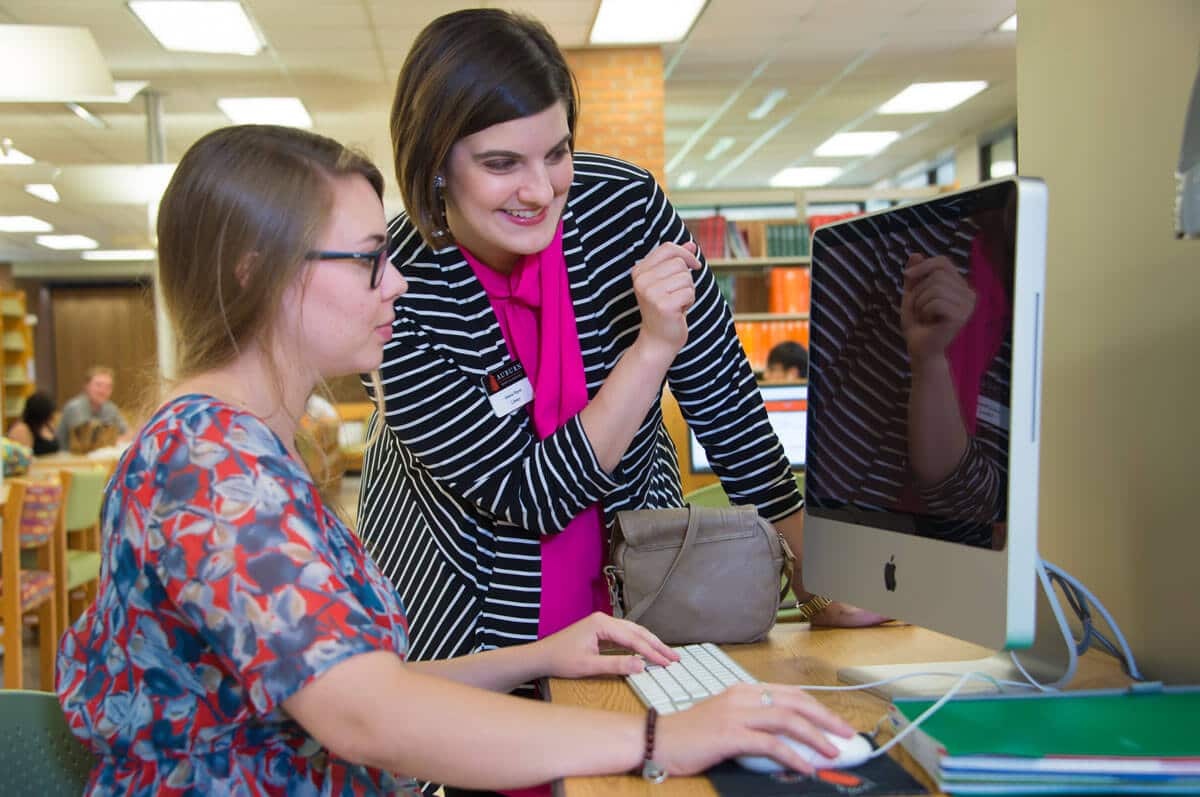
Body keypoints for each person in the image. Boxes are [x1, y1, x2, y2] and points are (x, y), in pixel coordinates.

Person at [55, 124, 856, 796]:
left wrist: (542, 655)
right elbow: (368, 718)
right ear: (256, 273)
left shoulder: (243, 447)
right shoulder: (211, 465)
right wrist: (656, 737)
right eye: (368, 258)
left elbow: (356, 688)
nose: (396, 281)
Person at [357, 8, 882, 688]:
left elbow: (719, 386)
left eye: (557, 152)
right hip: (473, 611)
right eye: (501, 163)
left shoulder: (623, 207)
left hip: (637, 573)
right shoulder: (399, 288)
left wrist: (814, 563)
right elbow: (529, 493)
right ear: (433, 164)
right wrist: (651, 349)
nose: (540, 190)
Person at [805, 196, 1014, 548]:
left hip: (947, 557)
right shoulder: (899, 245)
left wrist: (930, 361)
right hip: (854, 541)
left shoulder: (1026, 302)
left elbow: (975, 506)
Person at [55, 365, 129, 451]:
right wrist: (112, 439)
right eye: (98, 385)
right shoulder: (75, 407)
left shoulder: (110, 407)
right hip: (68, 459)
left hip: (96, 458)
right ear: (86, 386)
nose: (103, 391)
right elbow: (86, 442)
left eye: (108, 387)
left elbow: (126, 433)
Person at [7, 390, 61, 455]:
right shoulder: (21, 429)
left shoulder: (47, 425)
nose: (52, 417)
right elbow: (21, 457)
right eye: (49, 414)